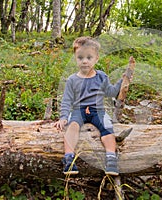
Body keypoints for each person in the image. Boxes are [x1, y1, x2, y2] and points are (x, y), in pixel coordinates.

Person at [54, 36, 122, 176]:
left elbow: (110, 92)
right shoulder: (72, 79)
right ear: (75, 58)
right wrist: (63, 117)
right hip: (79, 110)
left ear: (96, 58)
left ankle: (111, 158)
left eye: (89, 57)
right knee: (72, 127)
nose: (84, 61)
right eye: (80, 57)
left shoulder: (101, 76)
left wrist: (122, 82)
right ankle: (69, 158)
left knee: (107, 126)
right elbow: (67, 100)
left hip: (98, 110)